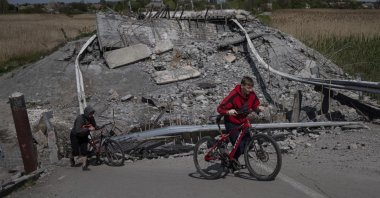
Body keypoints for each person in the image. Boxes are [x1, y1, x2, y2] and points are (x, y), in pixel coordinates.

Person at [217, 76, 261, 173]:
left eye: (252, 87)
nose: (251, 90)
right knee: (239, 145)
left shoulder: (252, 95)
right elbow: (220, 108)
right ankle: (230, 161)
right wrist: (228, 111)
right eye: (248, 87)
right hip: (231, 122)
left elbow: (254, 105)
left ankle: (232, 159)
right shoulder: (234, 95)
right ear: (242, 86)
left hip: (243, 121)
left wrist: (258, 108)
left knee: (248, 144)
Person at [70, 106, 98, 171]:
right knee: (76, 151)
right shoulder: (80, 119)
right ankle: (71, 157)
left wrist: (99, 127)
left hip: (84, 135)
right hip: (75, 135)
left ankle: (84, 166)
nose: (91, 115)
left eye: (92, 113)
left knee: (84, 150)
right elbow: (78, 130)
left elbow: (94, 126)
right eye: (90, 114)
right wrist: (88, 129)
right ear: (86, 113)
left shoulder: (91, 118)